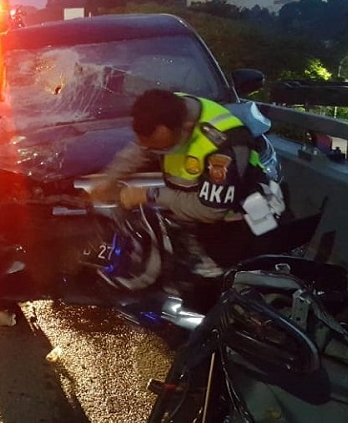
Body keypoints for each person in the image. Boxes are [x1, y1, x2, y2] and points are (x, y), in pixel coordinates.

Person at [91, 89, 283, 301]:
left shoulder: (223, 143)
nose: (154, 151)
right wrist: (109, 179)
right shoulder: (168, 109)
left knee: (228, 288)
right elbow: (141, 148)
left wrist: (149, 194)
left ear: (185, 128)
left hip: (247, 218)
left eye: (162, 147)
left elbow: (210, 211)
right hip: (202, 213)